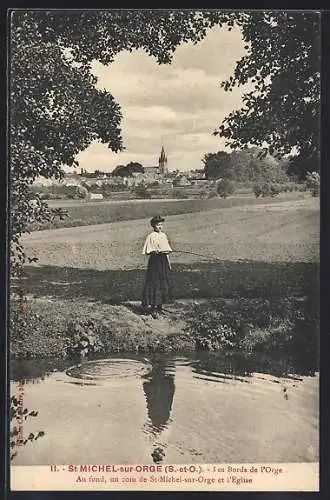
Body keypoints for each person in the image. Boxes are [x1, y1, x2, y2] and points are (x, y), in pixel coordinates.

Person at [141, 215, 173, 318]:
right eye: (158, 225)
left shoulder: (163, 235)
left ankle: (160, 306)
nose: (160, 227)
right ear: (153, 226)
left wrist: (168, 261)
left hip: (163, 261)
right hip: (155, 261)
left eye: (161, 225)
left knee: (163, 281)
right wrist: (155, 251)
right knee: (154, 282)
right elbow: (148, 250)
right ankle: (153, 306)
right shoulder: (151, 236)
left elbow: (167, 250)